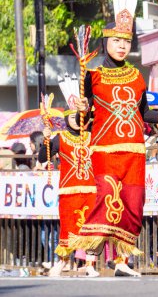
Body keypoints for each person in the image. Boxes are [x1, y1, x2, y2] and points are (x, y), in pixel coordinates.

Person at [70, 0, 158, 277]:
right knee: (105, 201)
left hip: (134, 152)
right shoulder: (94, 74)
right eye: (117, 41)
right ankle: (88, 260)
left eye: (126, 41)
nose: (122, 46)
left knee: (132, 203)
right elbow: (82, 113)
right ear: (106, 42)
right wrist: (78, 111)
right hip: (106, 151)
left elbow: (142, 113)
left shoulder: (138, 77)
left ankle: (121, 262)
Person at [38, 75, 98, 277]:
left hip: (91, 189)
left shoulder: (92, 135)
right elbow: (42, 157)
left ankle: (90, 265)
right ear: (66, 118)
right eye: (73, 116)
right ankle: (62, 262)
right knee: (68, 227)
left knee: (91, 228)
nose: (77, 119)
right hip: (69, 190)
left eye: (80, 116)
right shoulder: (60, 137)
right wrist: (45, 139)